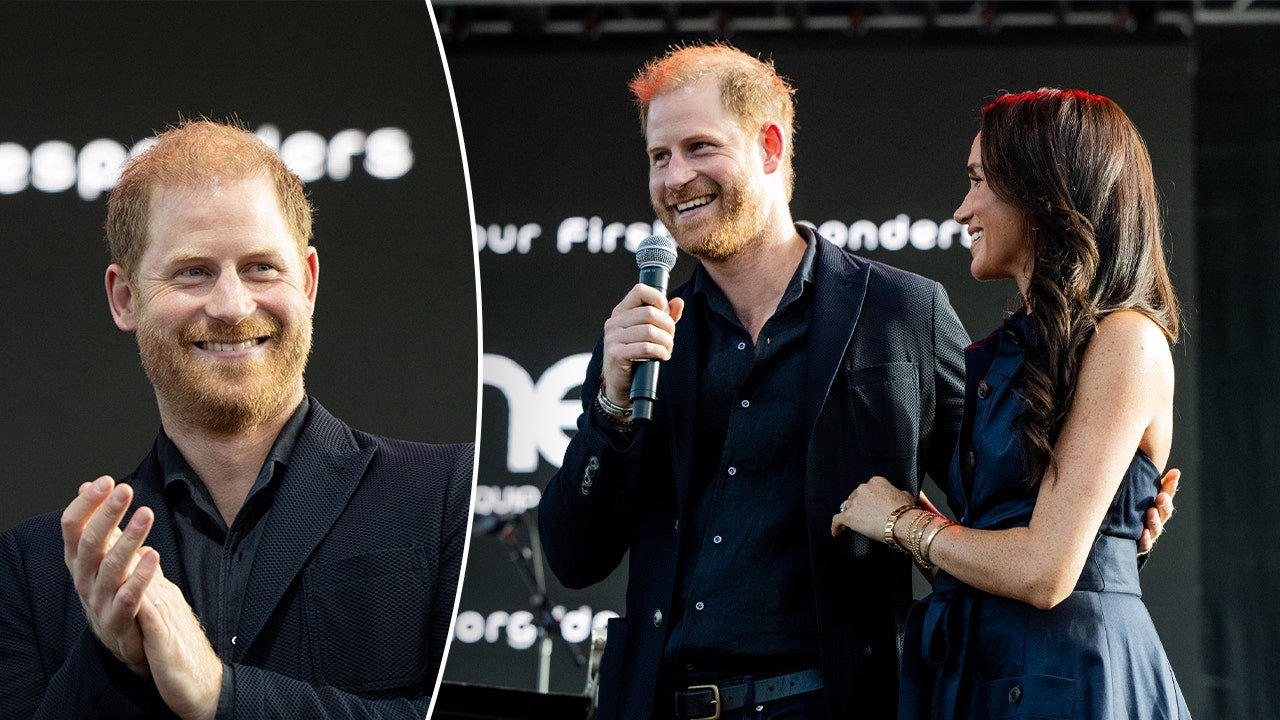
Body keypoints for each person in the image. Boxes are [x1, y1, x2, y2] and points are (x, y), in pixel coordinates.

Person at [538, 44, 1177, 720]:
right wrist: (612, 405)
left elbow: (1003, 504)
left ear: (769, 147)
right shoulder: (642, 338)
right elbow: (573, 558)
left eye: (699, 147)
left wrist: (1113, 517)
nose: (675, 177)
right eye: (658, 156)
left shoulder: (901, 311)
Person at [0, 119, 472, 719]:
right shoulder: (33, 572)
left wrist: (223, 696)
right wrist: (111, 665)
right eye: (193, 271)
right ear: (125, 298)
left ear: (308, 282)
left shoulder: (446, 497)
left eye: (261, 267)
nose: (231, 305)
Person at [832, 89, 1191, 718]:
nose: (961, 209)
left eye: (978, 181)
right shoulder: (1007, 354)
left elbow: (1044, 573)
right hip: (988, 673)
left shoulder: (1127, 338)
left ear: (1042, 189)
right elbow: (1002, 550)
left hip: (1077, 681)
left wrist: (903, 523)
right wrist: (915, 523)